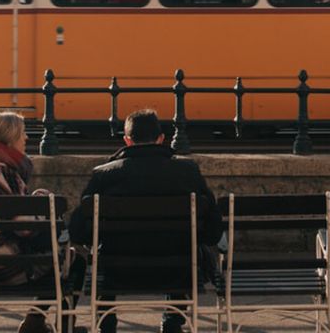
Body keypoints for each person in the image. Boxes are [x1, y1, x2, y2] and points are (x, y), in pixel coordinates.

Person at [69, 109, 223, 333]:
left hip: (116, 273)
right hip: (176, 271)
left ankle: (107, 322)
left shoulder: (103, 175)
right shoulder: (188, 172)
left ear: (127, 141)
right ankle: (172, 320)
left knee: (102, 250)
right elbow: (213, 231)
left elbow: (77, 231)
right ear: (161, 139)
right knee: (185, 245)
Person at [0, 112, 63, 333]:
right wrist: (42, 204)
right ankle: (45, 324)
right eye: (22, 134)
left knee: (57, 252)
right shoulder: (5, 174)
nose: (26, 138)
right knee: (68, 261)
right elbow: (28, 230)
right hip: (7, 270)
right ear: (10, 140)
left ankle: (36, 323)